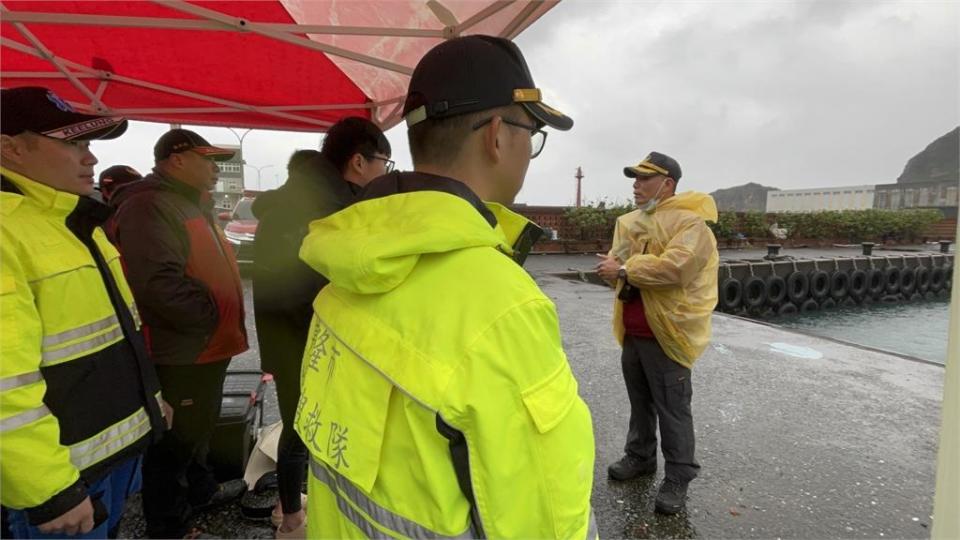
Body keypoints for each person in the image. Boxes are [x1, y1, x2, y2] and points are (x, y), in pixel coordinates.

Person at [294, 35, 596, 538]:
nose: (529, 149)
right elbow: (543, 513)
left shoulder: (344, 263)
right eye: (532, 133)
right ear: (497, 135)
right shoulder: (501, 304)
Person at [0, 86, 168, 538]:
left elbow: (115, 332)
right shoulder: (8, 231)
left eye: (89, 144)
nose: (89, 159)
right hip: (63, 479)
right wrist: (48, 489)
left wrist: (149, 400)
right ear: (10, 148)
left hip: (107, 454)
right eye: (72, 143)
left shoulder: (74, 221)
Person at [251, 117, 391, 538]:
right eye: (384, 161)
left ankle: (289, 505)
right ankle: (291, 518)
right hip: (310, 340)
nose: (386, 170)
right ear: (359, 162)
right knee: (305, 428)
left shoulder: (296, 202)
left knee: (301, 424)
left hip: (286, 336)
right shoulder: (330, 212)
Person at [107, 128, 248, 538]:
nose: (214, 170)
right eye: (207, 160)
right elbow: (156, 285)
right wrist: (207, 318)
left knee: (199, 428)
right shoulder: (149, 206)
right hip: (184, 350)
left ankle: (201, 491)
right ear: (177, 158)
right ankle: (168, 525)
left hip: (208, 346)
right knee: (175, 441)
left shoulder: (188, 203)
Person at [594, 151, 719, 514]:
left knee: (673, 407)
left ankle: (679, 474)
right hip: (633, 330)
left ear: (667, 184)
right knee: (640, 401)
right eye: (634, 178)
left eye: (644, 178)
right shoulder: (631, 221)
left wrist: (623, 269)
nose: (636, 185)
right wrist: (612, 268)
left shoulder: (691, 225)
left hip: (667, 333)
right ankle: (640, 456)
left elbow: (675, 269)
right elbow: (617, 261)